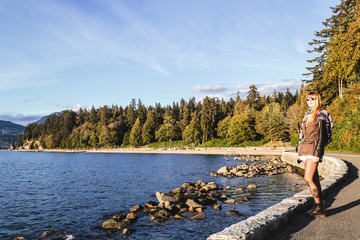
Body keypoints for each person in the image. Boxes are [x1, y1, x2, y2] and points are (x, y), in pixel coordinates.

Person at [298, 90, 328, 218]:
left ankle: (319, 207)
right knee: (314, 178)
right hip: (305, 148)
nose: (310, 101)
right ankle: (317, 206)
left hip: (313, 148)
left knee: (308, 178)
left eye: (313, 99)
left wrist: (317, 153)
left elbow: (322, 137)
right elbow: (303, 135)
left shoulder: (321, 115)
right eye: (308, 99)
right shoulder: (307, 115)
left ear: (318, 100)